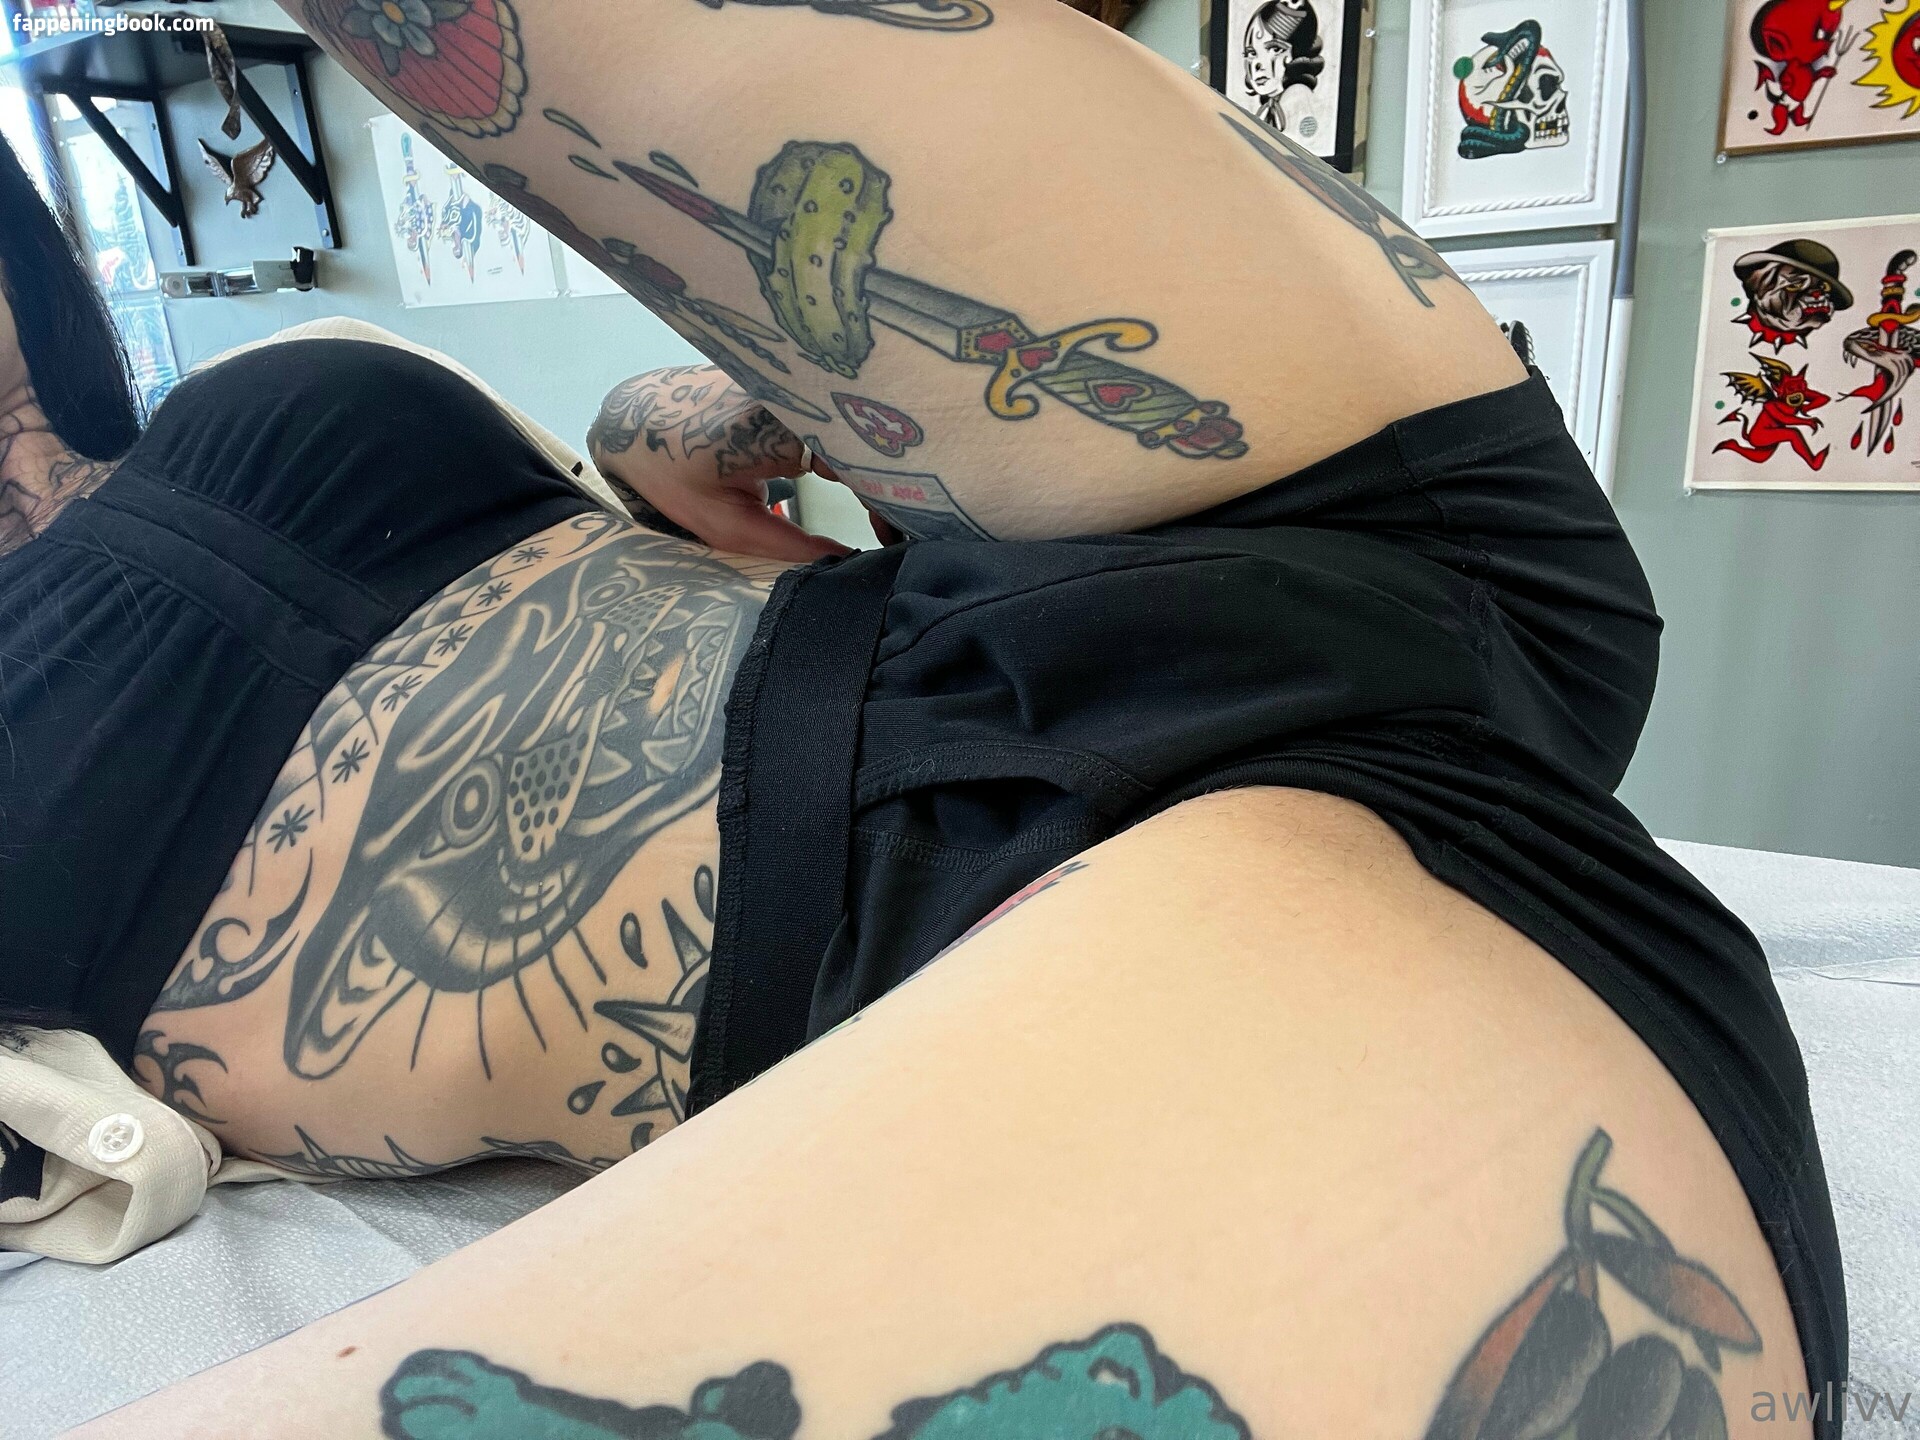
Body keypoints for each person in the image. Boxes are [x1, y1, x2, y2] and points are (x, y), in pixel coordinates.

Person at [0, 1, 1842, 1436]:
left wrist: (664, 430)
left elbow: (601, 515)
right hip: (1019, 934)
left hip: (1189, 532)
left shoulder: (245, 384)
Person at [1242, 0, 1326, 137]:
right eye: (1251, 53)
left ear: (1296, 56)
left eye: (1275, 49)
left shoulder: (1298, 97)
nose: (1258, 64)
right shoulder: (1270, 104)